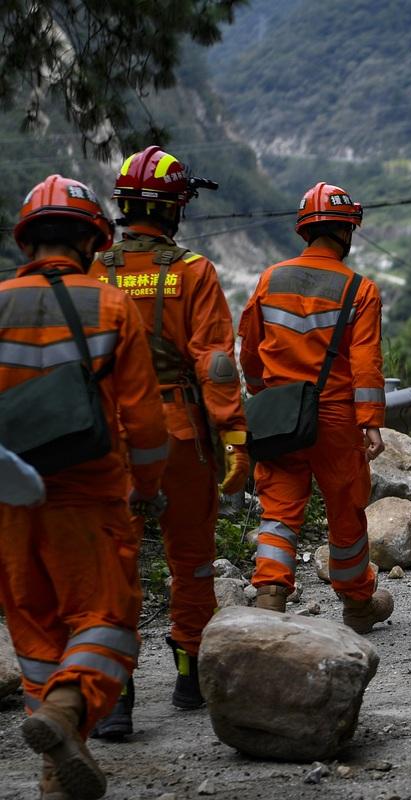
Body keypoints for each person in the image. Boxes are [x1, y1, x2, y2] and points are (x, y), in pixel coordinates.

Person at [0, 175, 168, 799]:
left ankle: (54, 769)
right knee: (106, 622)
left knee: (37, 634)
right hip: (90, 495)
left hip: (12, 499)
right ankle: (68, 712)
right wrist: (146, 486)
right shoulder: (110, 304)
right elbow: (146, 424)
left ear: (27, 243)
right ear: (93, 241)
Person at [87, 146, 249, 737]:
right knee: (191, 560)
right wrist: (233, 433)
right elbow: (214, 363)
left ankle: (115, 698)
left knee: (114, 563)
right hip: (179, 432)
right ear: (176, 209)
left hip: (110, 438)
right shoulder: (192, 272)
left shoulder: (95, 270)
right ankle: (188, 677)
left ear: (125, 207)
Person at [239, 182, 393, 634]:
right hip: (335, 419)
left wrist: (261, 393)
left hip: (281, 415)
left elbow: (249, 348)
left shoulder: (270, 279)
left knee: (279, 510)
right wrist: (372, 423)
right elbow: (366, 362)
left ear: (305, 230)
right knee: (346, 511)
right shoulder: (360, 289)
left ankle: (270, 595)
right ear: (346, 231)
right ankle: (357, 606)